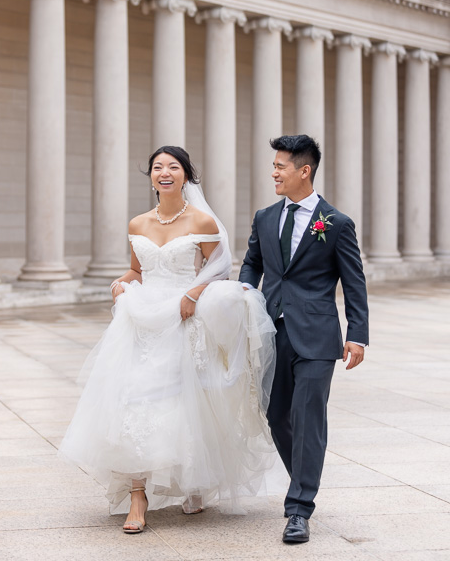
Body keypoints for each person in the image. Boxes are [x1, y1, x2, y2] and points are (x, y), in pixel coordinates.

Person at [60, 146, 276, 533]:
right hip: (140, 321)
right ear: (151, 176)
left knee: (183, 402)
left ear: (186, 176)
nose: (164, 172)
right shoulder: (138, 223)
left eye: (173, 167)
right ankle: (137, 494)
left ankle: (195, 482)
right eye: (158, 167)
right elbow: (136, 270)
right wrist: (120, 283)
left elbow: (220, 268)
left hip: (181, 316)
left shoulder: (202, 220)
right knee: (132, 399)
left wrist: (192, 294)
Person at [239, 134, 369, 544]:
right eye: (274, 165)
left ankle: (298, 509)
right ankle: (305, 477)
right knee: (277, 416)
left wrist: (358, 335)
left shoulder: (335, 223)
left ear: (304, 170)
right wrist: (244, 296)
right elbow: (252, 264)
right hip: (271, 330)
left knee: (309, 419)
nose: (273, 172)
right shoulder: (264, 216)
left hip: (317, 336)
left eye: (280, 166)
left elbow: (354, 282)